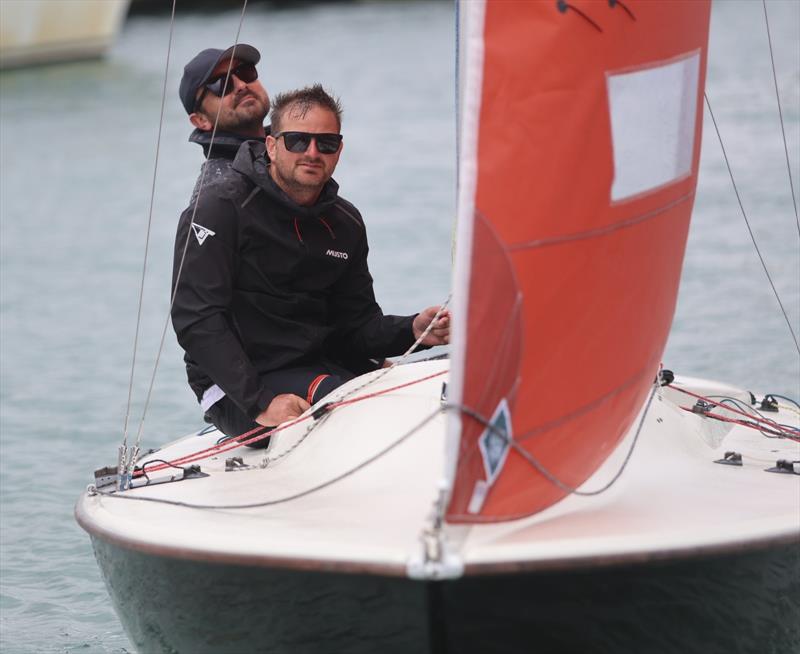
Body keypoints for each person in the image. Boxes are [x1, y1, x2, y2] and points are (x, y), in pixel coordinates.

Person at [171, 84, 450, 440]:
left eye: (326, 143)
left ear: (339, 150)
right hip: (236, 388)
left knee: (435, 386)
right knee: (354, 403)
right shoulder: (219, 208)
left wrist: (414, 330)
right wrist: (260, 403)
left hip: (317, 368)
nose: (313, 153)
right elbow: (196, 319)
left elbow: (355, 328)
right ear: (271, 145)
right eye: (298, 141)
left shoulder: (344, 223)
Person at [178, 43, 271, 201]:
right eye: (221, 84)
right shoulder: (215, 195)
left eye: (245, 72)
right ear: (201, 120)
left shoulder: (298, 147)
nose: (241, 85)